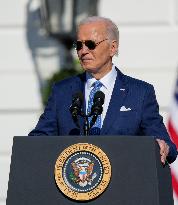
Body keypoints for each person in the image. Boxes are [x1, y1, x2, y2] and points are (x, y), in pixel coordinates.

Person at [29, 16, 177, 164]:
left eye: (90, 44)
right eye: (79, 45)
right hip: (75, 181)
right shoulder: (62, 91)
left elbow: (164, 143)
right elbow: (39, 139)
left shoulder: (140, 93)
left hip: (124, 183)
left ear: (112, 47)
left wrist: (162, 146)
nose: (83, 51)